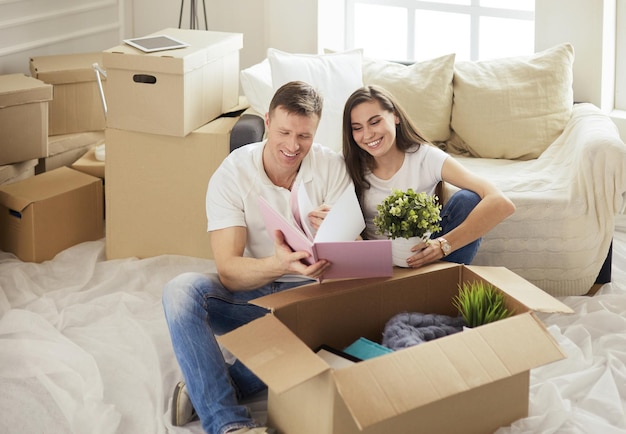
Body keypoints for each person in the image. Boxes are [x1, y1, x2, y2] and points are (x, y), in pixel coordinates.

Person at [162, 81, 353, 434]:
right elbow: (230, 273)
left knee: (336, 328)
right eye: (284, 132)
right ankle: (231, 426)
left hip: (312, 300)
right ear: (266, 121)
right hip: (256, 294)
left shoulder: (332, 167)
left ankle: (211, 389)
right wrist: (279, 264)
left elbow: (353, 261)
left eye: (305, 136)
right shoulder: (232, 175)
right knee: (180, 291)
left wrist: (341, 231)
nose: (293, 146)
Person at [342, 85, 515, 267]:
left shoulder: (425, 157)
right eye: (357, 128)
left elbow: (501, 202)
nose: (368, 134)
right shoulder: (348, 165)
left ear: (395, 116)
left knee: (468, 199)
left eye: (375, 122)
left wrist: (442, 245)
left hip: (426, 261)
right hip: (376, 265)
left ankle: (442, 282)